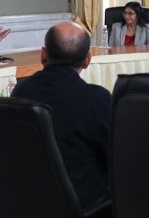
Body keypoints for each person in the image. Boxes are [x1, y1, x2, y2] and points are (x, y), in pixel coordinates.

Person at [11, 21, 111, 208]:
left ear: (43, 55)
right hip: (83, 205)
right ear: (87, 60)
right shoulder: (97, 99)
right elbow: (115, 160)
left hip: (29, 203)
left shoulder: (20, 91)